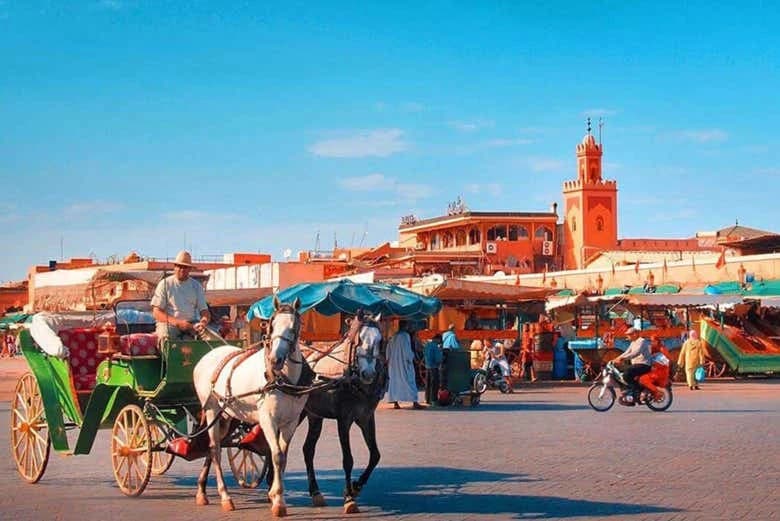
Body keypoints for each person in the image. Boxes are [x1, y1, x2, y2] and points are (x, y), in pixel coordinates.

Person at [151, 250, 210, 342]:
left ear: (190, 269)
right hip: (169, 324)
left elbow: (204, 311)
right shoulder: (165, 284)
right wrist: (178, 323)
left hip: (191, 324)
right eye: (179, 266)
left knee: (211, 338)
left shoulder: (196, 286)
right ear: (175, 267)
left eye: (185, 267)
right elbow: (156, 312)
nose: (182, 269)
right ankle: (167, 356)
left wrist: (203, 322)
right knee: (165, 338)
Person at [386, 322, 423, 410]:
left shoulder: (394, 336)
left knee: (395, 382)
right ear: (406, 326)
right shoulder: (405, 336)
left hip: (394, 365)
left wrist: (389, 360)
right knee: (410, 380)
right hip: (404, 364)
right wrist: (411, 357)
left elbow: (388, 349)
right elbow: (407, 350)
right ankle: (414, 402)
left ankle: (395, 402)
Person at [612, 327, 652, 402]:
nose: (627, 336)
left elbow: (636, 353)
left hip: (644, 365)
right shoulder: (633, 343)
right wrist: (615, 359)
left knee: (627, 374)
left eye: (629, 335)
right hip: (636, 365)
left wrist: (623, 359)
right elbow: (626, 352)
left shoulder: (642, 341)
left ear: (635, 334)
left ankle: (636, 391)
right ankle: (627, 391)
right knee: (619, 372)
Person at [638, 335, 672, 401]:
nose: (652, 342)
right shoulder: (651, 348)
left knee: (643, 379)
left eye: (654, 341)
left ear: (657, 341)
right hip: (653, 368)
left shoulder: (662, 349)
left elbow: (668, 361)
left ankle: (657, 392)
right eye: (651, 341)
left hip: (660, 370)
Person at [423, 333, 443, 405]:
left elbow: (424, 354)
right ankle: (434, 400)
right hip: (434, 368)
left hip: (427, 367)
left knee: (428, 384)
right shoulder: (435, 347)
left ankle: (427, 399)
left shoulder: (427, 345)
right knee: (434, 384)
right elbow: (438, 359)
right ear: (438, 339)